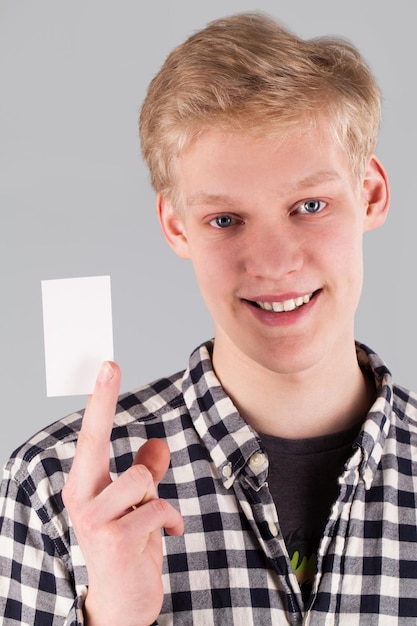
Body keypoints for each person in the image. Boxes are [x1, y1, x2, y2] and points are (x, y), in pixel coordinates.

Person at [1, 10, 416, 626]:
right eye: (226, 219)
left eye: (309, 205)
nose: (275, 264)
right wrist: (112, 616)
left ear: (371, 194)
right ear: (176, 225)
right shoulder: (54, 488)